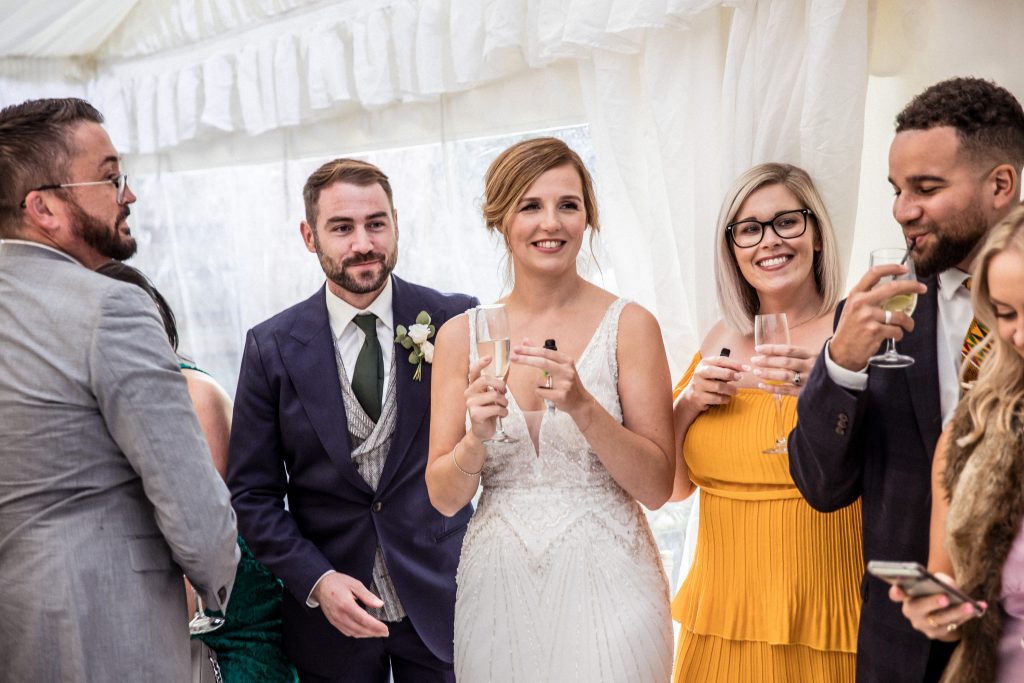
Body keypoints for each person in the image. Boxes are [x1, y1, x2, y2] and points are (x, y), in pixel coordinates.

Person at [787, 77, 1024, 682]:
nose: (902, 210)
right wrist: (841, 362)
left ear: (1002, 184)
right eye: (896, 190)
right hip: (906, 652)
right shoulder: (875, 315)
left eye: (926, 188)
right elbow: (821, 486)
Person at [0, 97, 238, 680]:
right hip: (105, 627)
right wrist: (216, 587)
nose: (127, 194)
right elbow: (192, 507)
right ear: (45, 209)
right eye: (109, 178)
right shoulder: (111, 307)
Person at [426, 136, 676, 682]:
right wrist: (476, 438)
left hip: (612, 585)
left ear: (588, 218)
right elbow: (444, 498)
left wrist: (585, 407)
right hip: (499, 588)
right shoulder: (458, 337)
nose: (552, 223)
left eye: (568, 205)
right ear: (500, 219)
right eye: (531, 206)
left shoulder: (630, 327)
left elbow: (658, 486)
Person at [227, 158, 478, 682]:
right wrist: (316, 581)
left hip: (446, 602)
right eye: (342, 228)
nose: (363, 242)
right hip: (331, 627)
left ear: (395, 223)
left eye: (376, 223)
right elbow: (252, 494)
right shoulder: (270, 347)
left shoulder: (456, 320)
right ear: (309, 235)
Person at [668, 163, 861, 681]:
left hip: (826, 615)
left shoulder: (854, 333)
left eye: (787, 222)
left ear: (817, 235)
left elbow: (895, 466)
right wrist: (686, 404)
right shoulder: (718, 339)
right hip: (720, 619)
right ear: (732, 248)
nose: (769, 241)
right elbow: (670, 487)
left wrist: (822, 390)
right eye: (749, 229)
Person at [96, 261, 298, 683]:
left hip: (232, 616)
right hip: (158, 602)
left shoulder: (196, 396)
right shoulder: (104, 405)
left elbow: (206, 527)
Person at [890, 207, 1024, 682]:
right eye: (1005, 315)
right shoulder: (968, 434)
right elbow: (954, 599)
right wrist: (939, 609)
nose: (1020, 335)